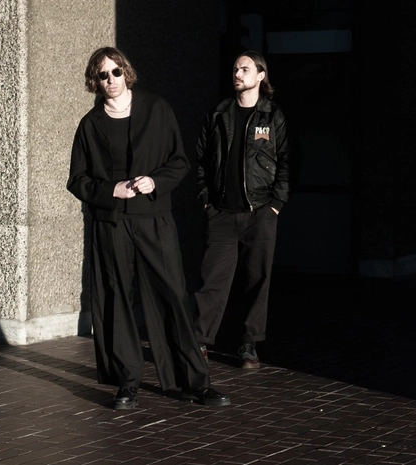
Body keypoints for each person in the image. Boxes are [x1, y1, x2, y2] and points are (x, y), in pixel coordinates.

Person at [67, 47, 230, 409]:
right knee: (117, 299)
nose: (110, 80)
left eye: (115, 72)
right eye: (102, 76)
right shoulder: (89, 125)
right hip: (111, 223)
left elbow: (179, 161)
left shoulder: (156, 109)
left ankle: (194, 382)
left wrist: (154, 182)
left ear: (127, 72)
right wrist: (111, 189)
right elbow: (77, 180)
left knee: (173, 295)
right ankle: (128, 380)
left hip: (154, 219)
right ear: (94, 81)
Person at [193, 51, 291, 369]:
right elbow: (200, 160)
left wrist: (276, 204)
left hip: (260, 212)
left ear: (260, 76)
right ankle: (199, 342)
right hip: (221, 212)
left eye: (245, 68)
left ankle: (248, 344)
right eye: (235, 68)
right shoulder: (219, 113)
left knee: (256, 279)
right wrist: (206, 200)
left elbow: (287, 161)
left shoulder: (272, 116)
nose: (237, 73)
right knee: (212, 281)